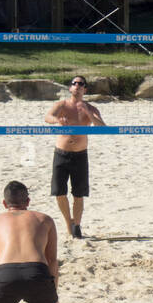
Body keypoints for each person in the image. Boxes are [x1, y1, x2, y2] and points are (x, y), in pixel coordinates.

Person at [43, 75, 106, 238]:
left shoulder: (90, 108)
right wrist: (57, 119)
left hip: (80, 155)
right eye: (74, 83)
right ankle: (68, 222)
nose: (77, 86)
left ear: (85, 89)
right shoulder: (62, 105)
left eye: (81, 84)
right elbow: (47, 117)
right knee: (59, 192)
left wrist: (90, 116)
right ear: (70, 88)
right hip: (61, 153)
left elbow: (103, 127)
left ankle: (77, 225)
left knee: (79, 194)